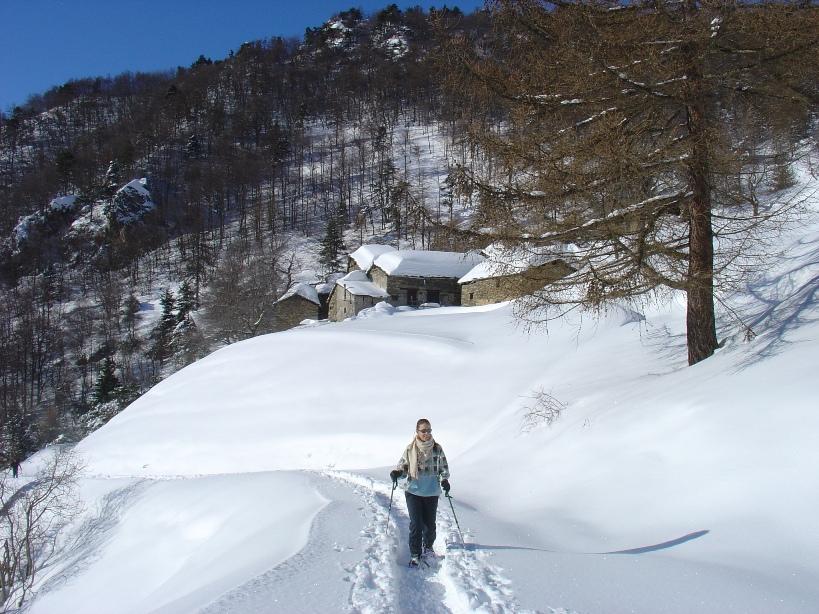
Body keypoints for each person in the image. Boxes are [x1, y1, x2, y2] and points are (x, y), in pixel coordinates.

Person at [390, 418, 450, 567]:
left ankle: (428, 548)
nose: (427, 433)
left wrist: (444, 480)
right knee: (416, 523)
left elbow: (444, 468)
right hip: (413, 491)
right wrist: (397, 473)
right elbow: (403, 466)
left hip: (431, 492)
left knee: (429, 525)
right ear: (417, 432)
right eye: (423, 431)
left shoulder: (437, 448)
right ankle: (415, 554)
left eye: (429, 430)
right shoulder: (411, 449)